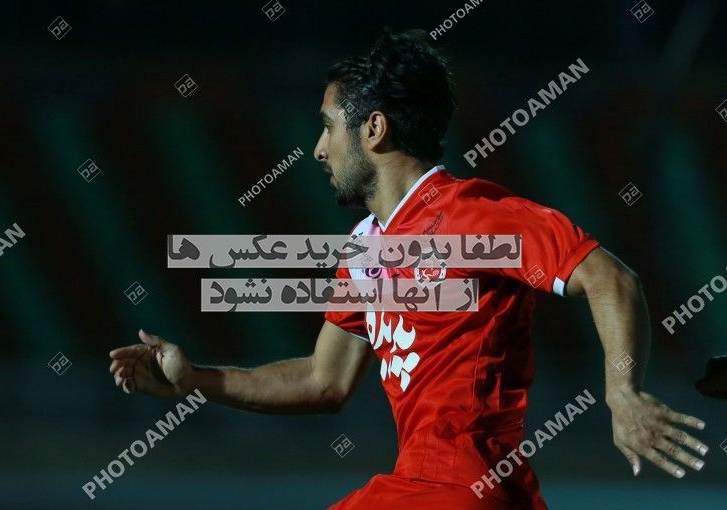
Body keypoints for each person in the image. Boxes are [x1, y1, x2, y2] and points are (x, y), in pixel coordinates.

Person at [109, 29, 708, 509]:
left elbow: (610, 277)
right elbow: (322, 380)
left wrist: (621, 393)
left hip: (456, 487)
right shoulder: (368, 248)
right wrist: (194, 380)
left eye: (328, 126)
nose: (318, 149)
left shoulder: (471, 216)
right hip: (438, 488)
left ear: (374, 129)